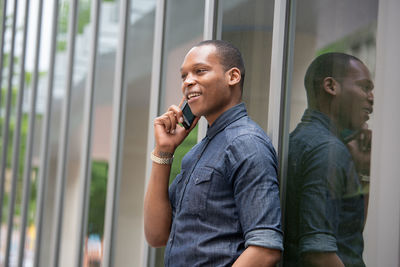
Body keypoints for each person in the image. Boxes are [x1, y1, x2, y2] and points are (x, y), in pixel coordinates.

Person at [144, 40, 283, 266]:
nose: (188, 82)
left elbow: (265, 249)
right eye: (184, 76)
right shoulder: (199, 152)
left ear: (233, 77)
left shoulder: (246, 143)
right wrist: (163, 152)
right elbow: (156, 235)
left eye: (200, 71)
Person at [283, 53, 374, 267]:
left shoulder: (298, 140)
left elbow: (346, 232)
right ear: (331, 86)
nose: (371, 98)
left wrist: (362, 170)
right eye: (365, 87)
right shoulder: (327, 150)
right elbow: (319, 254)